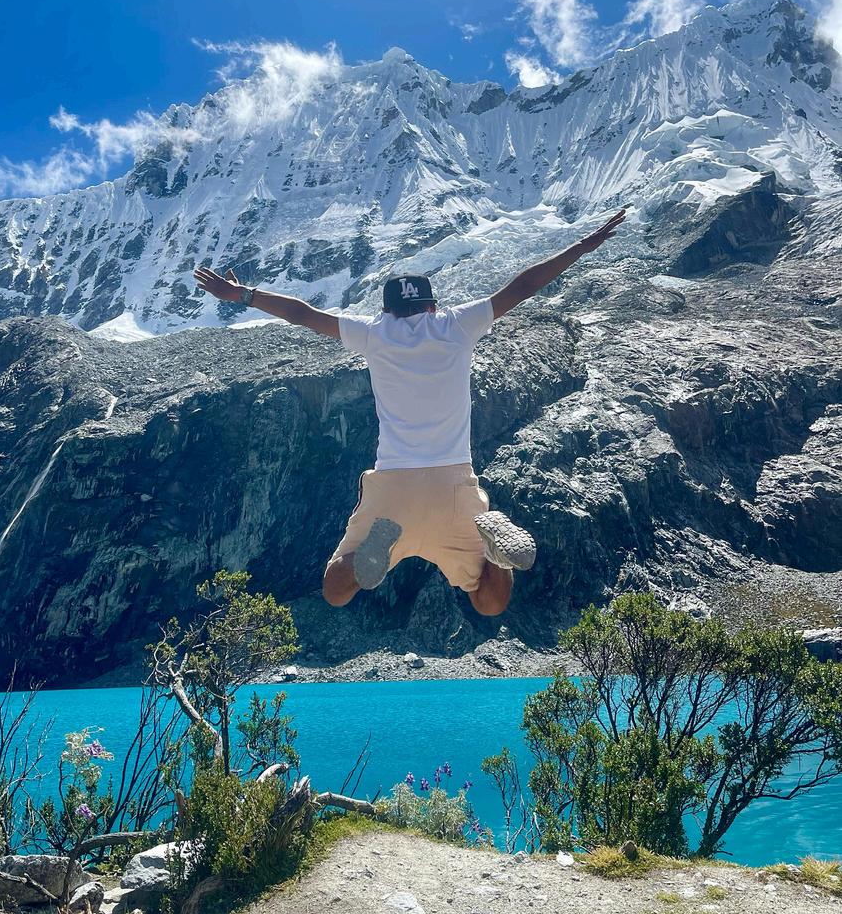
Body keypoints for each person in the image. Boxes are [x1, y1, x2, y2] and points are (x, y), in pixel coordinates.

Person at [195, 208, 626, 616]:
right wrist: (581, 246)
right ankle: (495, 554)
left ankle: (368, 560)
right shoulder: (456, 325)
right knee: (489, 602)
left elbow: (301, 313)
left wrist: (243, 295)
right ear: (431, 306)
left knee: (335, 589)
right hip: (453, 484)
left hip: (393, 485)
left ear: (387, 311)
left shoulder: (374, 333)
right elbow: (523, 286)